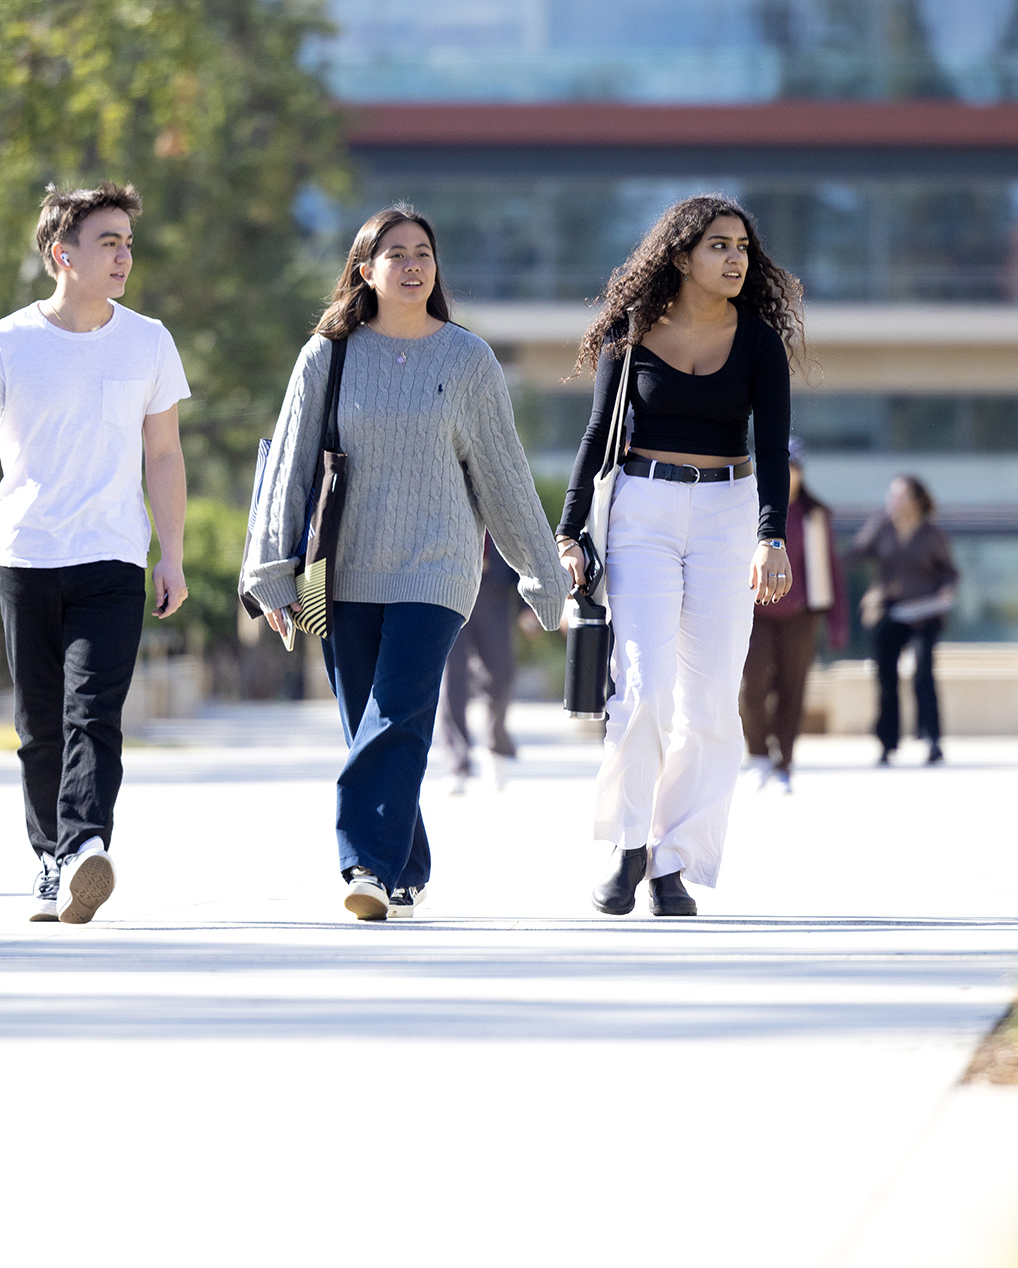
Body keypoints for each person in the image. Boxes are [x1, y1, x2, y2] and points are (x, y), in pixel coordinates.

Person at [242, 205, 565, 922]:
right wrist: (268, 569)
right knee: (368, 721)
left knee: (398, 712)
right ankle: (406, 866)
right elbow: (290, 464)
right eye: (397, 253)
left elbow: (503, 475)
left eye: (424, 252)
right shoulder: (327, 354)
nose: (414, 263)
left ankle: (363, 862)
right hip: (335, 570)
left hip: (439, 567)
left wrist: (545, 573)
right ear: (366, 270)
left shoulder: (467, 359)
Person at [0, 182, 191, 927]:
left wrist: (171, 554)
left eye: (128, 243)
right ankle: (51, 862)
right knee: (40, 724)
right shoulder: (5, 342)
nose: (124, 257)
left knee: (93, 711)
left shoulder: (149, 341)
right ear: (60, 255)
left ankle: (83, 846)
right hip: (25, 557)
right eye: (109, 242)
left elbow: (163, 454)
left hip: (112, 559)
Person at [557, 195, 801, 918]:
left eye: (742, 247)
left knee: (713, 703)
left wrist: (771, 535)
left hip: (729, 510)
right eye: (718, 245)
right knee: (643, 687)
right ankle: (628, 841)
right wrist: (569, 531)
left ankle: (674, 860)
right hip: (644, 509)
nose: (734, 258)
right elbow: (596, 434)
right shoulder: (630, 335)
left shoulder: (758, 343)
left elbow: (772, 444)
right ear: (679, 255)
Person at [741, 436, 841, 794]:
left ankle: (784, 762)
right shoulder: (746, 508)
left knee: (792, 690)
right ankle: (758, 756)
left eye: (792, 468)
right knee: (751, 688)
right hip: (754, 614)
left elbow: (831, 569)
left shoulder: (814, 515)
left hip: (800, 615)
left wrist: (837, 623)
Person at [845, 475, 957, 767]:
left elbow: (948, 572)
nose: (891, 500)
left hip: (924, 612)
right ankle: (886, 743)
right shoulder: (881, 526)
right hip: (889, 610)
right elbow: (853, 555)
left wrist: (947, 589)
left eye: (899, 495)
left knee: (923, 673)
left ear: (916, 501)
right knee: (885, 677)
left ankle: (931, 739)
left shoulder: (932, 535)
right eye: (891, 495)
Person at [437, 537, 524, 793]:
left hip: (494, 591)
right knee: (452, 678)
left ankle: (495, 744)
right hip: (451, 586)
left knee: (502, 673)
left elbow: (519, 539)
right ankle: (457, 763)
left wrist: (526, 605)